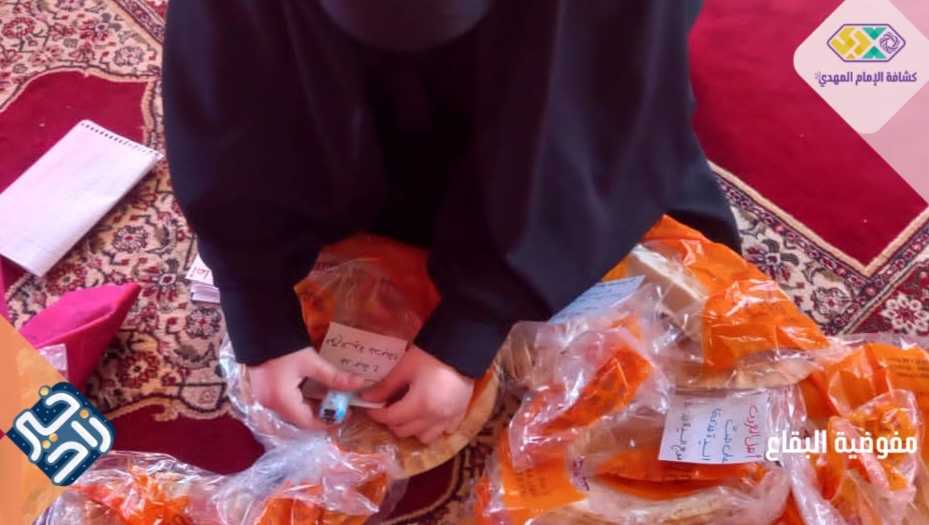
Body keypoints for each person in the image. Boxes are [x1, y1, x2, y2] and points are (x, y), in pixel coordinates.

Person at [163, 0, 740, 444]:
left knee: (689, 317)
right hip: (338, 93)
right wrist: (258, 307)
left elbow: (603, 108)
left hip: (554, 62)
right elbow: (224, 68)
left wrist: (472, 327)